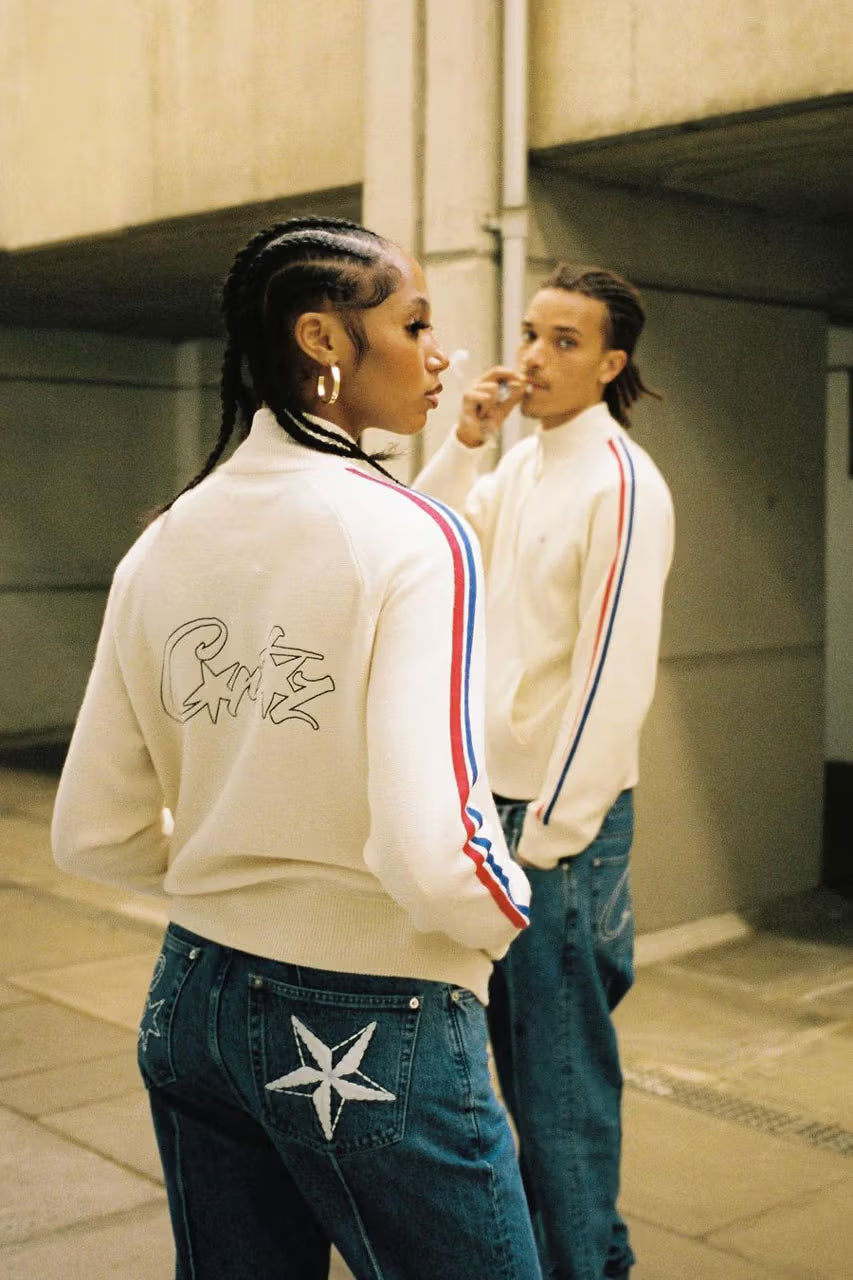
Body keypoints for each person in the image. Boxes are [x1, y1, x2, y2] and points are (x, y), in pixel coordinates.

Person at [51, 216, 543, 1280]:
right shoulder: (417, 537)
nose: (440, 354)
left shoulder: (162, 541)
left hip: (192, 999)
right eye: (414, 325)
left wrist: (238, 880)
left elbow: (90, 832)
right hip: (370, 1018)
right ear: (322, 339)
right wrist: (508, 915)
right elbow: (432, 855)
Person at [416, 264, 675, 1280]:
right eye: (531, 333)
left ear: (611, 363)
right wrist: (467, 439)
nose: (532, 357)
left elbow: (612, 674)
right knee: (514, 1078)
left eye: (564, 341)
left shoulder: (620, 481)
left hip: (557, 828)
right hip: (497, 809)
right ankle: (584, 1258)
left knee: (561, 1095)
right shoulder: (521, 467)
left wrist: (546, 837)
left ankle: (586, 1267)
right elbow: (425, 547)